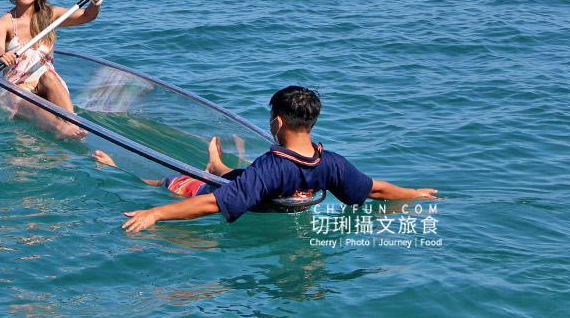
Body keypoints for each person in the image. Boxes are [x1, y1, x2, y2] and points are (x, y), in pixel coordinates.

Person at [115, 85, 438, 232]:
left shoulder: (270, 168)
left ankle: (110, 164)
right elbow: (374, 190)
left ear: (278, 122)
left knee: (169, 180)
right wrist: (415, 194)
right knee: (240, 177)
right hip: (260, 189)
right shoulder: (331, 163)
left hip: (241, 192)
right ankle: (219, 167)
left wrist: (155, 213)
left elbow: (215, 204)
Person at [0, 0, 103, 139]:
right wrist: (2, 56)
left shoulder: (50, 15)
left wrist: (96, 2)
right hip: (16, 91)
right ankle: (61, 129)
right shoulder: (4, 23)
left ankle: (73, 124)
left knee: (49, 76)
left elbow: (87, 15)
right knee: (35, 106)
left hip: (46, 85)